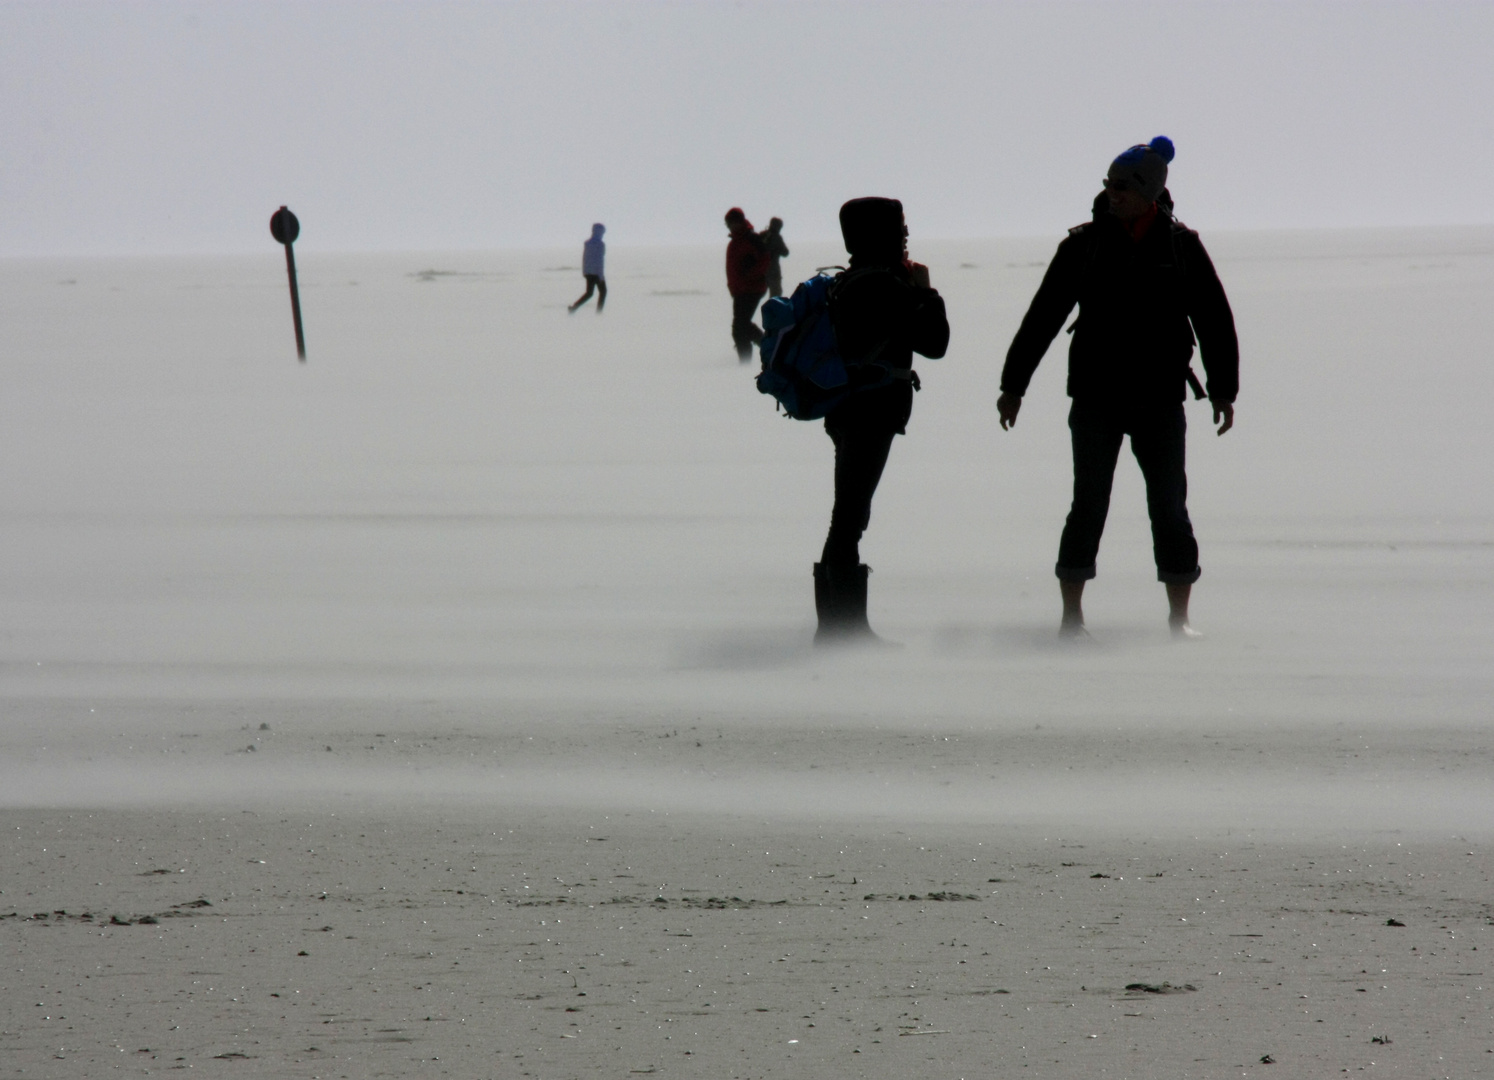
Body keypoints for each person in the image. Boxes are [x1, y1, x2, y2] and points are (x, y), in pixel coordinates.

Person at [996, 136, 1238, 639]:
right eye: (1108, 184)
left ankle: (1180, 619)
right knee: (1088, 504)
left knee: (1170, 507)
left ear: (1149, 190)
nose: (1112, 193)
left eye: (1122, 186)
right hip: (1095, 398)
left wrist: (1223, 389)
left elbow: (1214, 317)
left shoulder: (1180, 246)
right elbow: (1043, 317)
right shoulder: (1082, 245)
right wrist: (1013, 384)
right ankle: (1071, 618)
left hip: (1161, 398)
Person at [815, 197, 950, 644]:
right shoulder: (882, 284)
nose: (906, 235)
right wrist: (927, 291)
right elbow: (935, 343)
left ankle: (836, 628)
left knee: (848, 514)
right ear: (880, 234)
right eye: (900, 228)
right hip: (868, 412)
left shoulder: (854, 279)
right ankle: (845, 633)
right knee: (850, 517)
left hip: (852, 408)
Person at [724, 207, 769, 360]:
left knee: (740, 327)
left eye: (733, 223)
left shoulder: (751, 239)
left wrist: (751, 274)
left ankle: (748, 360)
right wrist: (733, 286)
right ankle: (768, 347)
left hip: (752, 289)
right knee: (742, 326)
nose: (730, 226)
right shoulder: (735, 242)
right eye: (728, 223)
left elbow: (765, 260)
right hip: (740, 290)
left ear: (740, 222)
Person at [568, 223, 607, 313]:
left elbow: (585, 259)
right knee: (603, 292)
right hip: (597, 272)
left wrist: (585, 272)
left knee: (589, 293)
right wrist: (600, 276)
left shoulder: (587, 243)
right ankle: (599, 313)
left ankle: (574, 308)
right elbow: (600, 261)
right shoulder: (600, 244)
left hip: (588, 272)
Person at [761, 216, 790, 298]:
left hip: (760, 271)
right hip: (773, 271)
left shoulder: (762, 235)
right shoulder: (776, 237)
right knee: (776, 296)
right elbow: (785, 252)